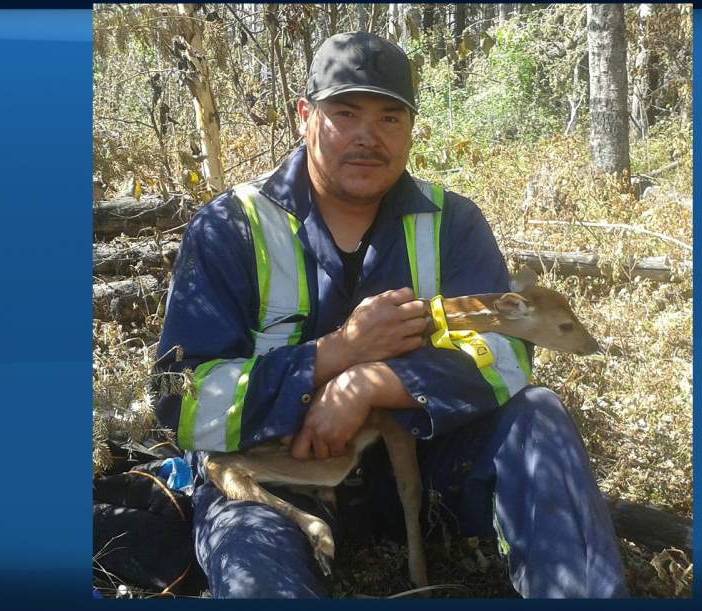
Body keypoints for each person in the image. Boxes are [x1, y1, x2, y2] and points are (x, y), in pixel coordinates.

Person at [153, 31, 627, 598]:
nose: (367, 138)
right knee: (259, 579)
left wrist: (372, 383)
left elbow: (507, 354)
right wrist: (333, 356)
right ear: (304, 116)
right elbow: (180, 400)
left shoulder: (451, 222)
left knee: (539, 416)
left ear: (410, 128)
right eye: (345, 113)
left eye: (389, 118)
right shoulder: (230, 228)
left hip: (424, 474)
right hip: (276, 481)